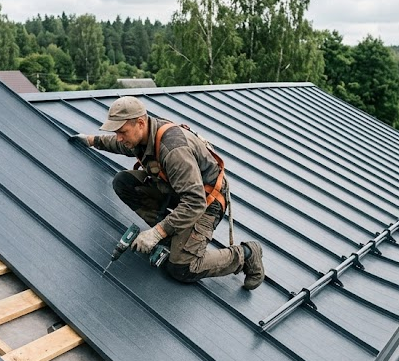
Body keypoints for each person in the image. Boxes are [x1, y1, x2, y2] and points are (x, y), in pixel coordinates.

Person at [69, 96, 265, 290]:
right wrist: (91, 141)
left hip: (205, 201)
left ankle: (247, 253)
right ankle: (173, 237)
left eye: (122, 131)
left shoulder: (172, 149)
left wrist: (156, 233)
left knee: (182, 267)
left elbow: (195, 202)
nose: (120, 137)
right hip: (178, 189)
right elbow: (119, 144)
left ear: (140, 123)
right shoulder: (141, 136)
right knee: (123, 182)